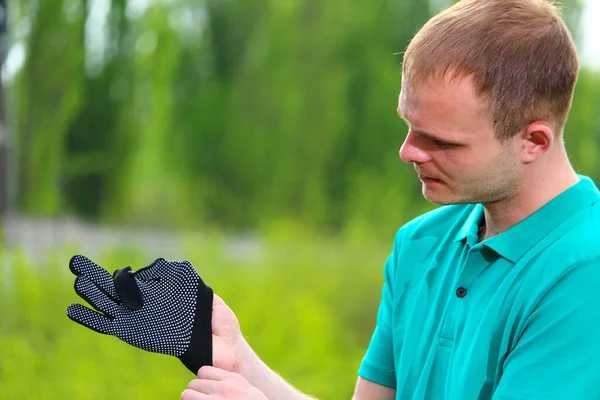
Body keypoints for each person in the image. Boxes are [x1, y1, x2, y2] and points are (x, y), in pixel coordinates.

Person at [182, 0, 600, 398]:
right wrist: (239, 360)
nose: (408, 151)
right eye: (410, 125)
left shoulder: (584, 272)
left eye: (441, 141)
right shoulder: (421, 244)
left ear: (533, 140)